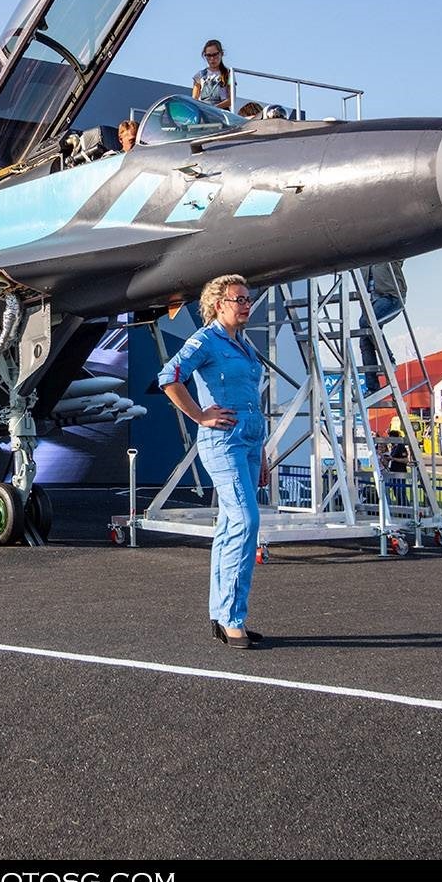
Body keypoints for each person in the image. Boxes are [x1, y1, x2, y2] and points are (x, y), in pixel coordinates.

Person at [159, 274, 266, 650]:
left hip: (251, 443)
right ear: (218, 304)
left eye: (247, 298)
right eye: (238, 299)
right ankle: (232, 618)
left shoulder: (244, 345)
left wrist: (263, 453)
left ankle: (222, 616)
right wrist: (200, 415)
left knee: (229, 529)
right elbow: (169, 377)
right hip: (224, 442)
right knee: (246, 520)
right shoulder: (205, 339)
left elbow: (252, 397)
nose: (245, 304)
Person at [190, 40, 233, 111]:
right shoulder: (199, 75)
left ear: (221, 54)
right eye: (208, 55)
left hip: (221, 113)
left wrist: (214, 108)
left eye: (215, 54)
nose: (212, 59)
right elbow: (194, 98)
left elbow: (231, 99)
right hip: (204, 113)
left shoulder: (228, 74)